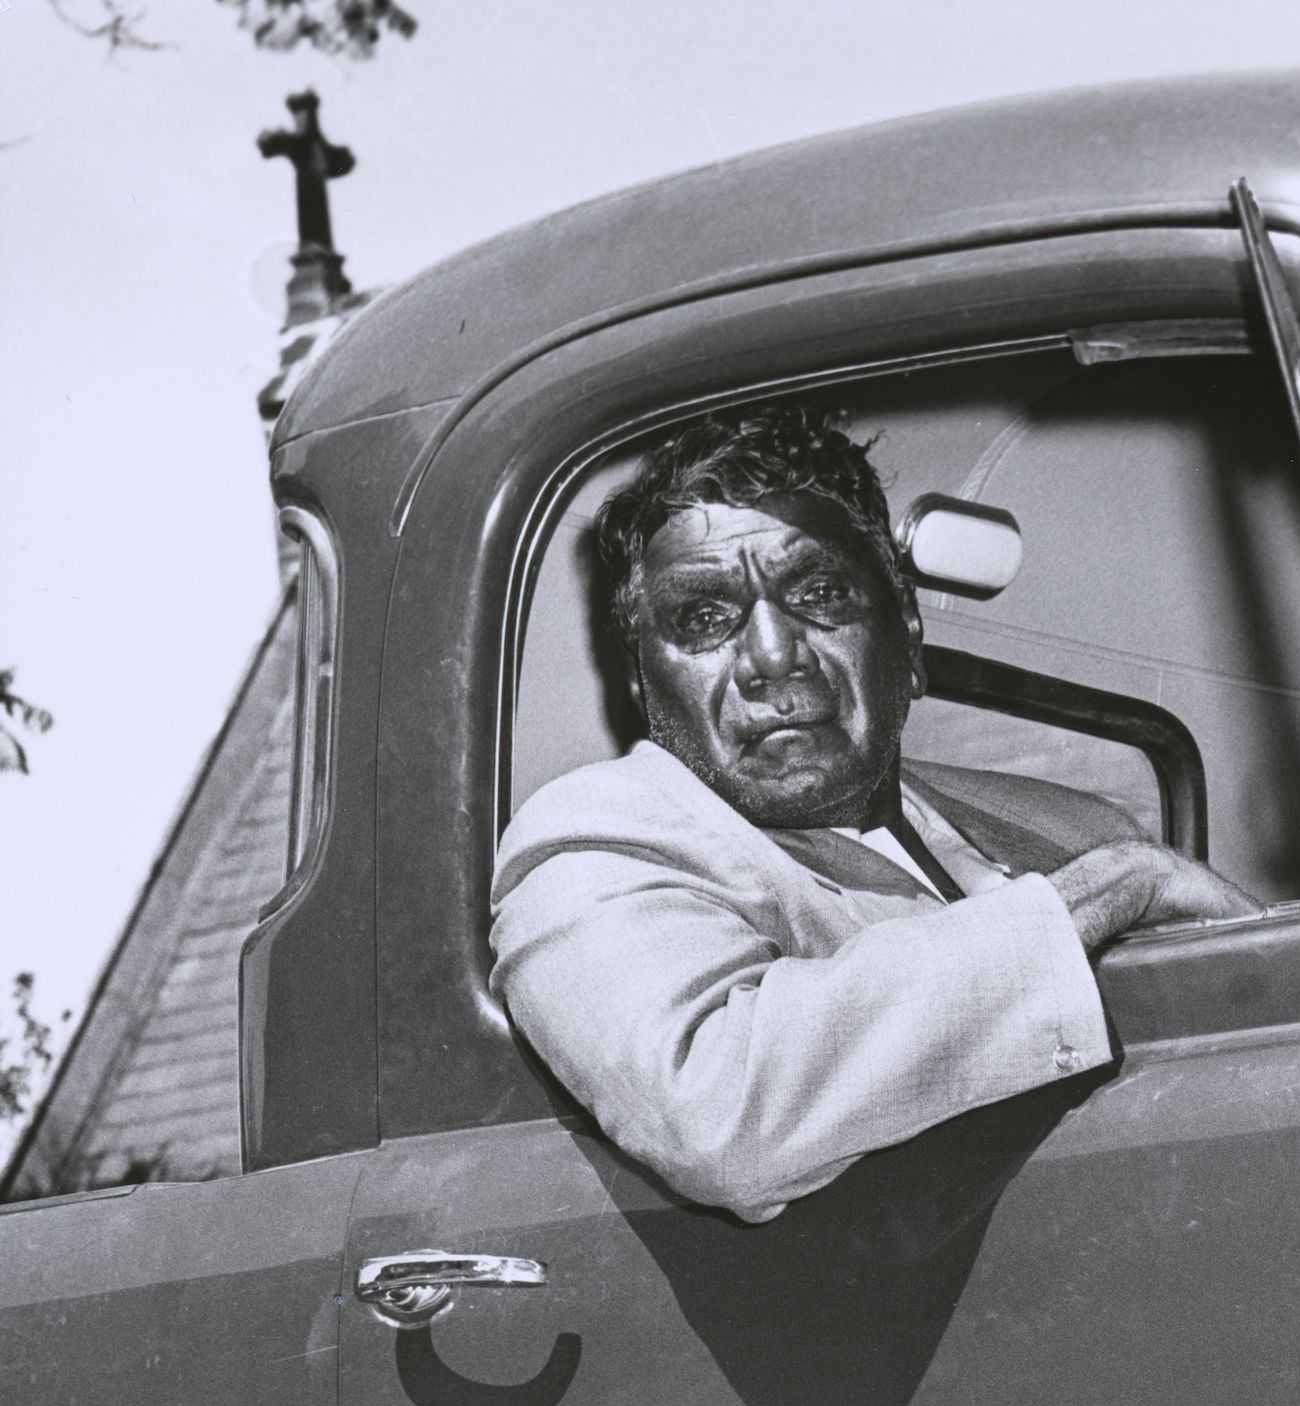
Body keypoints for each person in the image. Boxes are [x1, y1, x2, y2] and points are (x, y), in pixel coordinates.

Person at [490, 401, 1259, 1222]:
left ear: (909, 637)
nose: (773, 657)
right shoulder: (593, 842)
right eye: (705, 618)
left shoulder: (1077, 832)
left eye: (820, 594)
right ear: (643, 685)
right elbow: (718, 1115)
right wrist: (1111, 892)